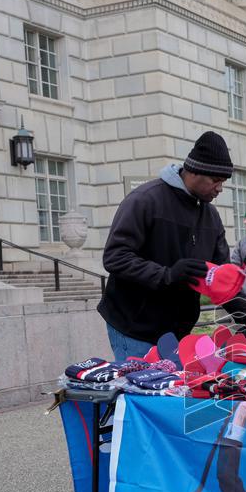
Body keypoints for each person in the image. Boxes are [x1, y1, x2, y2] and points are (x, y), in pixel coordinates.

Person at [97, 131, 234, 360]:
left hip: (178, 331)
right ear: (194, 172)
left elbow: (223, 274)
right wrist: (167, 275)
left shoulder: (211, 216)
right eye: (215, 180)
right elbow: (115, 257)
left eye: (223, 182)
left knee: (173, 392)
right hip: (134, 327)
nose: (220, 188)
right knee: (144, 391)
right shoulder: (145, 200)